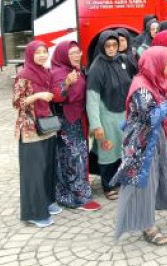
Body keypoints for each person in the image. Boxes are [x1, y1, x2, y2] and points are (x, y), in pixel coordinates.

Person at [112, 47, 167, 245]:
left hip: (159, 137)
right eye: (166, 61)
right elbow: (150, 118)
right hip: (142, 143)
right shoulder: (141, 87)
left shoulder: (157, 81)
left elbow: (166, 115)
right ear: (155, 62)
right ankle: (147, 226)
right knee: (145, 183)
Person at [51, 41, 101, 211]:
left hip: (78, 120)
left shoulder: (77, 71)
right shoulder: (58, 73)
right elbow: (57, 97)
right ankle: (76, 198)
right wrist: (66, 83)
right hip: (67, 122)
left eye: (78, 52)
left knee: (78, 157)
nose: (76, 56)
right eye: (72, 53)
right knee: (73, 159)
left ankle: (76, 193)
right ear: (63, 55)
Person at [13, 40, 59, 227]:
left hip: (46, 125)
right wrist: (38, 96)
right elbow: (17, 103)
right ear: (30, 54)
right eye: (38, 52)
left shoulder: (45, 73)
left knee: (47, 168)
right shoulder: (23, 75)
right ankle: (33, 212)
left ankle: (47, 202)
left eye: (44, 52)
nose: (41, 55)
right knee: (33, 172)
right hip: (30, 129)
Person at [87, 31, 132, 200]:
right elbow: (92, 98)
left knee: (122, 148)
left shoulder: (121, 60)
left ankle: (119, 179)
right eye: (108, 46)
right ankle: (108, 185)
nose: (112, 49)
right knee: (108, 149)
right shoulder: (97, 67)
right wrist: (96, 125)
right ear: (102, 46)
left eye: (114, 45)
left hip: (123, 113)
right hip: (106, 115)